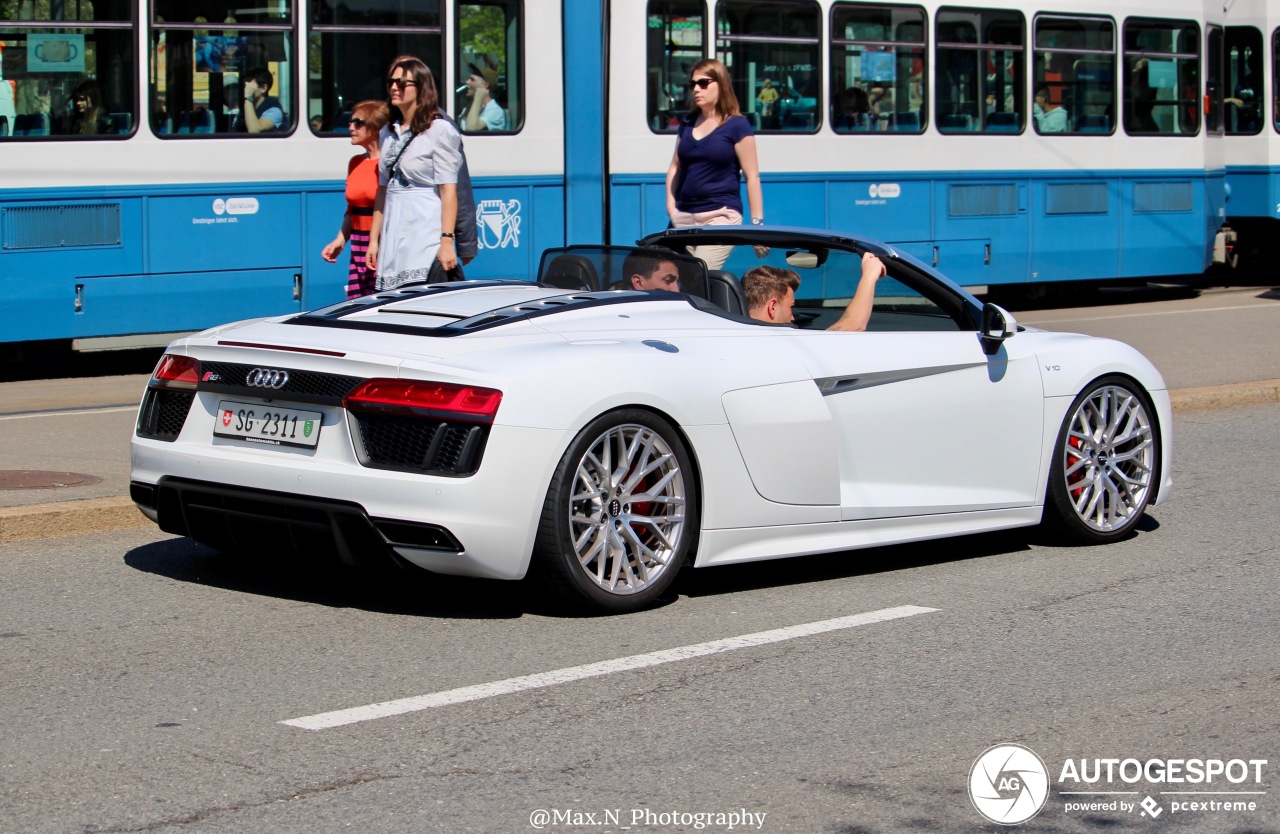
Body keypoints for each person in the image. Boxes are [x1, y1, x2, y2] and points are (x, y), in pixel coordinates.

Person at [367, 57, 461, 290]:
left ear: (421, 88)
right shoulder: (386, 133)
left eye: (402, 83)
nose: (394, 88)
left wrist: (447, 241)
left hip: (424, 232)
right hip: (393, 230)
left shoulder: (439, 130)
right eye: (391, 82)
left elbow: (448, 190)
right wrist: (373, 240)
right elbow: (382, 189)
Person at [665, 59, 765, 271]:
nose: (696, 89)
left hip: (719, 215)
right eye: (693, 84)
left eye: (703, 83)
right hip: (683, 218)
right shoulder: (687, 123)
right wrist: (671, 209)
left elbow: (752, 176)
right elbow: (675, 167)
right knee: (677, 281)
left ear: (721, 84)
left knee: (702, 273)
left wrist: (757, 225)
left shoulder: (737, 125)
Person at [321, 100, 390, 298]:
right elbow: (352, 210)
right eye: (351, 122)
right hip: (359, 246)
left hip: (381, 245)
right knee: (358, 307)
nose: (351, 127)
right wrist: (340, 241)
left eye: (358, 123)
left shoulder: (387, 164)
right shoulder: (356, 162)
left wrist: (374, 242)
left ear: (376, 128)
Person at [743, 253, 886, 331]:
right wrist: (869, 276)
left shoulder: (730, 336)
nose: (793, 317)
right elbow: (854, 325)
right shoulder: (776, 344)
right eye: (790, 307)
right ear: (772, 307)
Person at [235, 66, 283, 133]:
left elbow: (254, 130)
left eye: (249, 86)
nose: (245, 89)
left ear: (263, 88)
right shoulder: (242, 107)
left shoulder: (274, 111)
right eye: (244, 86)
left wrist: (248, 96)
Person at [463, 64, 505, 132]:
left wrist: (477, 99)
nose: (467, 82)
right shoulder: (470, 106)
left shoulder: (496, 111)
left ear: (485, 85)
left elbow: (471, 128)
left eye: (472, 80)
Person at [1224, 57, 1261, 132]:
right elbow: (1237, 101)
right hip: (1243, 124)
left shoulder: (1267, 82)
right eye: (1252, 64)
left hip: (1257, 124)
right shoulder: (1242, 83)